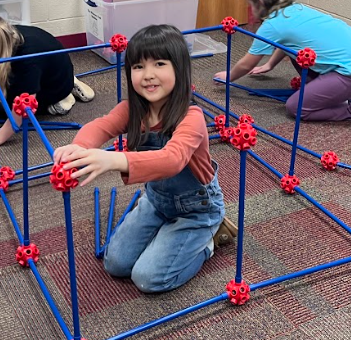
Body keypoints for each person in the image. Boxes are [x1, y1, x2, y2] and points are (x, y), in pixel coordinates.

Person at [54, 24, 236, 293]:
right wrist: (79, 147)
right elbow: (100, 126)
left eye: (159, 64)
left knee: (148, 279)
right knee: (115, 264)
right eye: (138, 67)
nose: (148, 75)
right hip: (156, 201)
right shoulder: (132, 109)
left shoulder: (192, 117)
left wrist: (113, 160)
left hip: (197, 210)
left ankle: (208, 243)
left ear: (180, 70)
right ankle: (165, 233)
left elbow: (172, 160)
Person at [213, 0, 351, 122]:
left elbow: (246, 64)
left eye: (250, 4)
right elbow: (287, 42)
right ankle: (331, 94)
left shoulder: (271, 25)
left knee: (296, 107)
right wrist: (270, 64)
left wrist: (229, 76)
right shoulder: (295, 9)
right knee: (300, 55)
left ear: (258, 2)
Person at [0, 12, 95, 147]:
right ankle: (65, 83)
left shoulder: (27, 61)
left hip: (56, 85)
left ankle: (63, 99)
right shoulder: (1, 35)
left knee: (2, 110)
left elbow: (23, 106)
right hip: (50, 71)